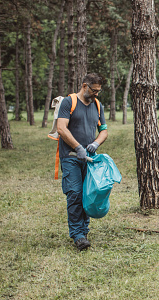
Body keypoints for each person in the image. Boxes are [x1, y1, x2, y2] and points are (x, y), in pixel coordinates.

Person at [57, 73, 108, 251]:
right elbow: (61, 128)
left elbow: (104, 130)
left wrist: (96, 142)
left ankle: (84, 231)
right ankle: (78, 235)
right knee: (75, 194)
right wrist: (78, 147)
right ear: (84, 86)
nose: (96, 94)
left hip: (90, 159)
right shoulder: (68, 102)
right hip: (70, 156)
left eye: (98, 91)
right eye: (94, 90)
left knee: (88, 195)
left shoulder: (98, 105)